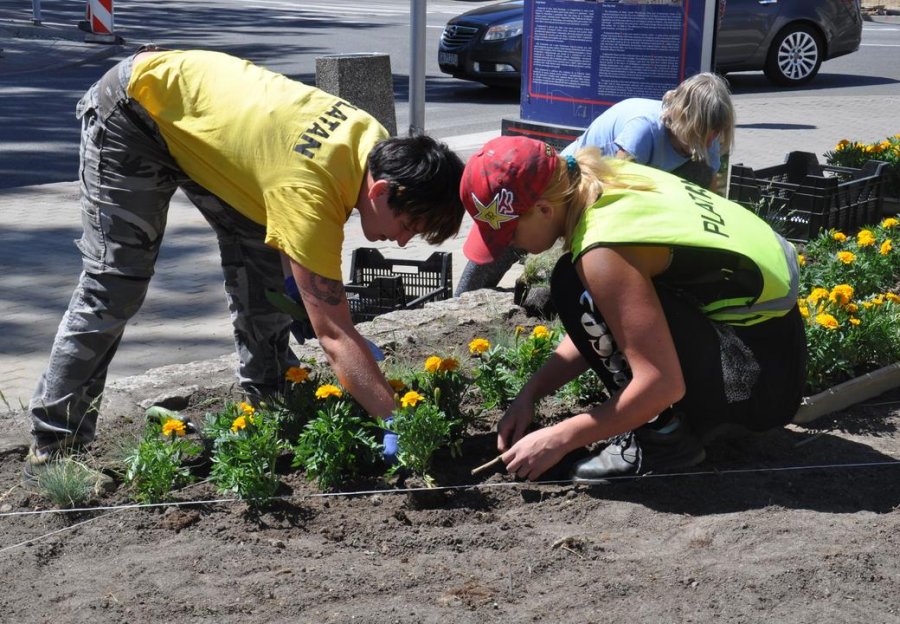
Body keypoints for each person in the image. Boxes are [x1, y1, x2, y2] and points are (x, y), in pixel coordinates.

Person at [25, 48, 465, 480]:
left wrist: (298, 288)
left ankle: (271, 408)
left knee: (261, 261)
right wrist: (396, 420)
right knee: (117, 282)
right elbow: (334, 335)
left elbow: (279, 197)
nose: (404, 241)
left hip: (198, 119)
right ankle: (55, 447)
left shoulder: (371, 138)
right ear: (381, 191)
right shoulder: (311, 192)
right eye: (410, 224)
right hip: (135, 111)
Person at [460, 136, 806, 483]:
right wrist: (530, 394)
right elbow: (612, 322)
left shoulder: (602, 247)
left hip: (752, 383)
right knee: (578, 286)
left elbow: (661, 384)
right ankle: (671, 426)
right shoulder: (605, 177)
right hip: (774, 355)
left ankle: (663, 439)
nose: (509, 246)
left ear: (545, 210)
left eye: (509, 234)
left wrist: (562, 437)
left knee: (570, 283)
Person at [455, 72, 735, 296]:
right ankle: (465, 297)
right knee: (512, 234)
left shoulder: (703, 143)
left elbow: (707, 193)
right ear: (685, 118)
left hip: (593, 190)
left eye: (713, 135)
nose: (709, 142)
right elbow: (619, 185)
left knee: (523, 231)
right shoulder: (643, 129)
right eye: (702, 133)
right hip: (570, 184)